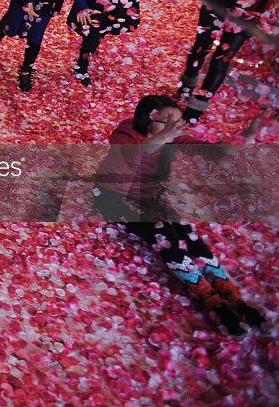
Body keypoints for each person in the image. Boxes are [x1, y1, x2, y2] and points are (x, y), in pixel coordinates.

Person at [93, 94, 267, 335]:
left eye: (178, 121)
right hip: (114, 199)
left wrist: (249, 134)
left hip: (151, 197)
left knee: (187, 235)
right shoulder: (125, 134)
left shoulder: (172, 139)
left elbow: (217, 153)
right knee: (163, 233)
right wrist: (163, 137)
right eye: (168, 121)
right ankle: (212, 301)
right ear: (148, 120)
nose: (176, 127)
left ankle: (235, 298)